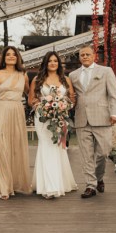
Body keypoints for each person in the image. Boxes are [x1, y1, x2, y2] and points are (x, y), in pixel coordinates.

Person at [69, 46, 116, 199]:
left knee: (103, 152)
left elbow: (114, 94)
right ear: (79, 57)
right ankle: (90, 185)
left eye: (87, 54)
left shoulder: (106, 71)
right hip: (81, 118)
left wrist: (115, 113)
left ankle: (99, 177)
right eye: (82, 55)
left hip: (102, 117)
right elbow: (72, 96)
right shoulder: (72, 75)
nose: (85, 56)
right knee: (86, 155)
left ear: (94, 56)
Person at [28, 51, 78, 199]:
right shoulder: (37, 79)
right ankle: (49, 187)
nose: (53, 63)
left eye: (55, 61)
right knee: (46, 146)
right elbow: (31, 99)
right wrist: (42, 106)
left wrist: (63, 107)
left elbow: (72, 99)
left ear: (59, 63)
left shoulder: (66, 79)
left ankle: (61, 182)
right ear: (45, 63)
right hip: (43, 119)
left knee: (58, 147)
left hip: (60, 117)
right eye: (50, 61)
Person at [0, 46, 31, 200]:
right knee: (1, 147)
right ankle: (4, 187)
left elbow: (29, 94)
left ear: (18, 57)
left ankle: (14, 184)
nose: (11, 57)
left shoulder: (23, 75)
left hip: (17, 111)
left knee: (15, 148)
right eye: (8, 54)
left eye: (14, 54)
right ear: (3, 57)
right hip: (1, 110)